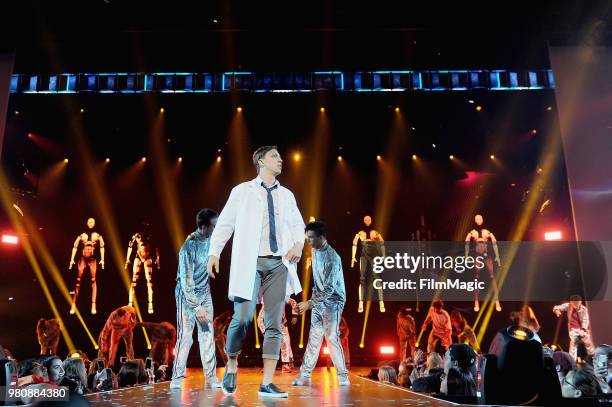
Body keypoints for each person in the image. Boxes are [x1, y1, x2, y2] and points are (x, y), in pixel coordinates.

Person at [207, 146, 305, 398]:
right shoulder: (242, 191)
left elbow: (297, 225)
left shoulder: (287, 195)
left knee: (275, 324)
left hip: (278, 264)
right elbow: (225, 223)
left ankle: (268, 382)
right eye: (275, 156)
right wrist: (214, 253)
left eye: (281, 156)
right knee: (242, 319)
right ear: (261, 161)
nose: (281, 159)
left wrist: (297, 243)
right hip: (249, 263)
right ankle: (231, 363)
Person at [292, 221, 350, 387]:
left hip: (334, 301)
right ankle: (305, 374)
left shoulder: (333, 258)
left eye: (310, 238)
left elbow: (330, 288)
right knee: (314, 337)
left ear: (321, 237)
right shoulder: (315, 250)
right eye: (307, 238)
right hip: (318, 300)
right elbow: (318, 284)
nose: (308, 241)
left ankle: (343, 376)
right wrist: (312, 302)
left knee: (331, 337)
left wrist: (309, 304)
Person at [170, 209, 221, 390]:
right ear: (203, 227)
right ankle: (177, 377)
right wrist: (197, 307)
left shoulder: (212, 241)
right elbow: (186, 282)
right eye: (214, 226)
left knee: (207, 334)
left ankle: (211, 377)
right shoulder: (187, 248)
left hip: (204, 292)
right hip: (187, 295)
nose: (217, 229)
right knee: (185, 336)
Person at [68, 217, 105, 314]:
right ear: (86, 222)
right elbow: (74, 246)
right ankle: (73, 304)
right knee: (78, 281)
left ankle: (93, 304)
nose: (91, 223)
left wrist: (103, 259)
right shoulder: (82, 236)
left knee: (93, 280)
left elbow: (102, 246)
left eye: (93, 221)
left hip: (92, 260)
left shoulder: (97, 236)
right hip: (83, 259)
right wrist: (72, 259)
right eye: (89, 221)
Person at [351, 215, 386, 313]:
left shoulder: (375, 232)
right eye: (365, 219)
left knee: (377, 279)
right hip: (364, 256)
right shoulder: (360, 233)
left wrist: (383, 255)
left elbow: (382, 242)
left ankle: (381, 302)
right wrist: (353, 257)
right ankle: (361, 302)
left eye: (369, 219)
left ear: (371, 220)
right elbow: (354, 243)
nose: (367, 221)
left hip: (374, 257)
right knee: (362, 279)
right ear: (363, 220)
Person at [257, 298, 299, 372]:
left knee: (285, 344)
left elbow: (293, 302)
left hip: (282, 325)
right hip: (271, 327)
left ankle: (285, 365)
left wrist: (295, 315)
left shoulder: (282, 297)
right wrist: (263, 331)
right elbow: (259, 319)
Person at [553, 295, 594, 359]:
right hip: (573, 330)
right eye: (574, 303)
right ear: (571, 302)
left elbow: (585, 320)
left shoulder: (584, 309)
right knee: (573, 345)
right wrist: (556, 310)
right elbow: (558, 307)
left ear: (580, 302)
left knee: (588, 342)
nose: (576, 305)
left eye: (577, 303)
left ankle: (592, 357)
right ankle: (572, 362)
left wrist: (583, 329)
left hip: (582, 329)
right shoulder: (568, 306)